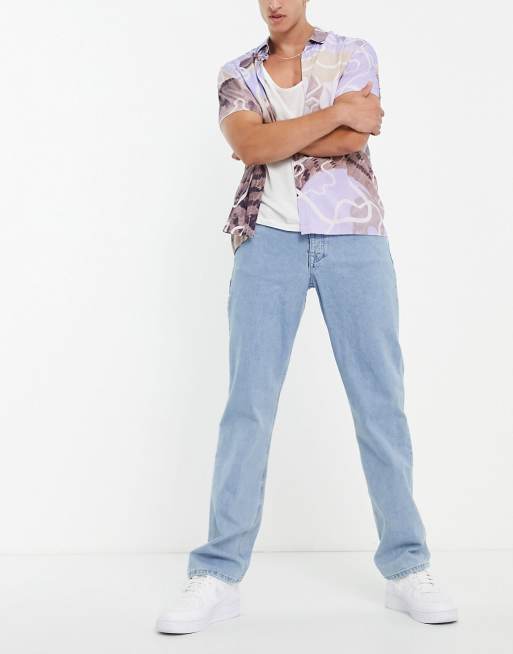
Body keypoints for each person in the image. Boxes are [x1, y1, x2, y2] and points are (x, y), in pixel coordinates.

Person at [156, 0, 458, 634]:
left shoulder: (353, 53)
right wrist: (324, 118)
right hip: (266, 243)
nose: (274, 3)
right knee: (248, 406)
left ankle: (407, 566)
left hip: (355, 238)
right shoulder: (238, 72)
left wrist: (283, 136)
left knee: (380, 403)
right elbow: (249, 144)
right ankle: (218, 575)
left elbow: (355, 137)